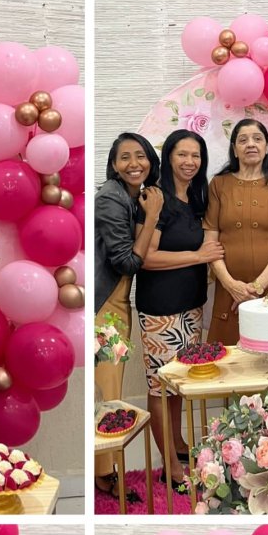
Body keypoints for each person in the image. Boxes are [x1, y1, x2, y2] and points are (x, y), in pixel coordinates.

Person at [135, 129, 224, 490]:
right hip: (161, 310)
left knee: (177, 383)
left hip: (191, 307)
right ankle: (170, 466)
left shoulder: (195, 199)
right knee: (160, 387)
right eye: (182, 154)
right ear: (168, 157)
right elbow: (146, 258)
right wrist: (198, 256)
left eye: (196, 156)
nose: (189, 162)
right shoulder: (155, 198)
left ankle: (179, 444)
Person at [94, 132, 163, 496]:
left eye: (140, 155)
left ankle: (105, 469)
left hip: (117, 306)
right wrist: (152, 217)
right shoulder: (111, 197)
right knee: (109, 393)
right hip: (104, 309)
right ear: (114, 164)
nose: (134, 163)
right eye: (125, 157)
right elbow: (126, 261)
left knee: (111, 390)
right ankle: (105, 473)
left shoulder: (133, 197)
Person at [203, 119, 268, 344]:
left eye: (257, 139)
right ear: (234, 149)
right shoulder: (218, 184)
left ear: (267, 147)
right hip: (229, 291)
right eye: (243, 140)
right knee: (230, 357)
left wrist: (256, 287)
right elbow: (210, 243)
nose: (251, 144)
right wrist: (231, 285)